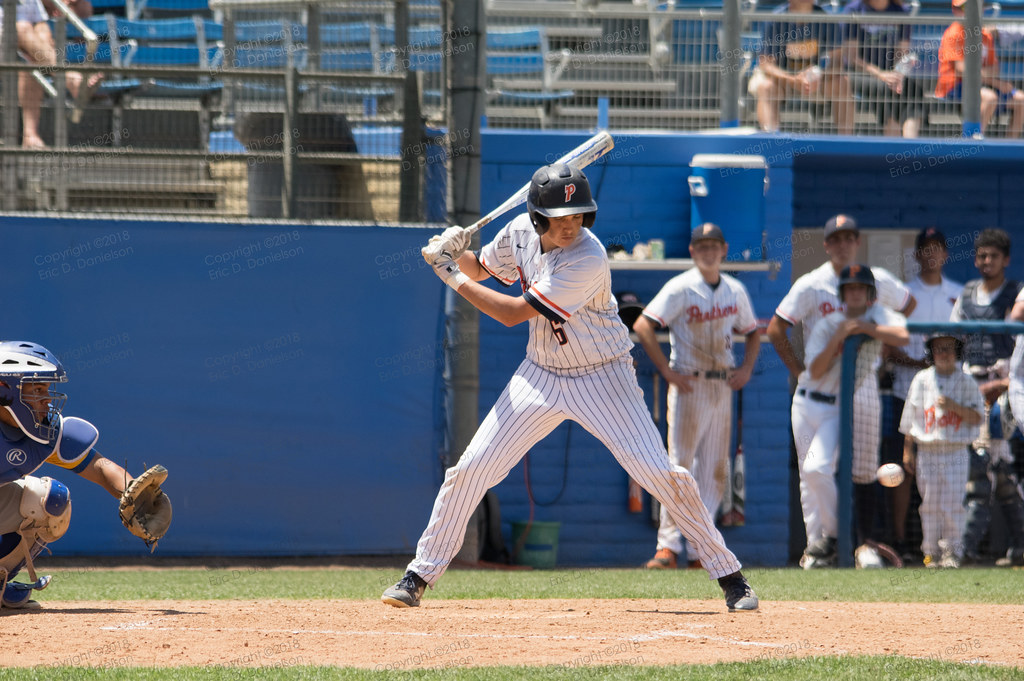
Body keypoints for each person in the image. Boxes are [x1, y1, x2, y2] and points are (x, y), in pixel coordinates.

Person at [382, 163, 759, 611]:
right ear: (538, 217)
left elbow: (509, 313)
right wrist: (455, 249)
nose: (570, 224)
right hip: (540, 373)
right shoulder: (519, 231)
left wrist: (449, 273)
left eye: (578, 215)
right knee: (470, 470)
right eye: (560, 217)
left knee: (660, 474)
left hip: (604, 375)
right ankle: (418, 575)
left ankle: (730, 576)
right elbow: (480, 269)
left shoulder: (588, 256)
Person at [768, 214, 916, 567]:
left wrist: (880, 343)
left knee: (864, 466)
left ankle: (862, 543)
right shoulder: (813, 284)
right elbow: (776, 328)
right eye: (836, 238)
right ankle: (819, 544)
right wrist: (798, 370)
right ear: (826, 244)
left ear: (857, 242)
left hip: (862, 383)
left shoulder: (875, 281)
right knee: (812, 473)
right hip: (818, 384)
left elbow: (908, 307)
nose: (842, 244)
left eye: (849, 238)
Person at [0, 340, 171, 609]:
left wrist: (134, 494)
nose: (46, 398)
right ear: (5, 389)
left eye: (47, 388)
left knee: (51, 501)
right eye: (37, 388)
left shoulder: (43, 432)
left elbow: (101, 468)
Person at [633, 222, 761, 570]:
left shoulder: (735, 290)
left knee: (715, 472)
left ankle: (702, 547)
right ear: (692, 251)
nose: (708, 251)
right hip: (689, 382)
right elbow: (644, 325)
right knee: (679, 465)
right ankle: (668, 546)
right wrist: (666, 370)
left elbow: (753, 332)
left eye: (713, 245)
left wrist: (746, 369)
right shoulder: (680, 287)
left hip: (721, 385)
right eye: (701, 246)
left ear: (723, 249)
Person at [791, 264, 909, 567]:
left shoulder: (878, 314)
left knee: (818, 468)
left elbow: (902, 335)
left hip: (834, 408)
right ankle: (820, 544)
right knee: (809, 476)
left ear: (869, 293)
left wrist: (863, 330)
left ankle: (832, 537)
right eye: (850, 288)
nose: (855, 293)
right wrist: (841, 335)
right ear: (843, 294)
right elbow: (814, 371)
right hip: (806, 403)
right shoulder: (829, 322)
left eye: (861, 288)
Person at [885, 227, 963, 561]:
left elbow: (966, 346)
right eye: (925, 249)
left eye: (937, 249)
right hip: (908, 389)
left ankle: (947, 546)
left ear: (945, 254)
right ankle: (902, 540)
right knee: (905, 468)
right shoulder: (905, 293)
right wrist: (918, 362)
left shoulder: (958, 293)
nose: (931, 255)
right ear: (917, 255)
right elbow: (888, 347)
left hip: (948, 395)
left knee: (948, 468)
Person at [951, 228, 1024, 566]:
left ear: (1006, 260)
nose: (987, 261)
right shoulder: (966, 294)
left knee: (1003, 472)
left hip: (1006, 387)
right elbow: (950, 340)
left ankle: (1011, 546)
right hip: (970, 387)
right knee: (982, 469)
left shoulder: (1016, 293)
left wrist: (1007, 382)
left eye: (994, 255)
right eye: (982, 255)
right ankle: (964, 549)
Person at [900, 333, 983, 569]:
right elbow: (909, 420)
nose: (944, 353)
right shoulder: (921, 379)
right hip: (927, 450)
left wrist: (954, 407)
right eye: (939, 349)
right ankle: (930, 553)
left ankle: (952, 552)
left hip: (956, 450)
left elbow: (977, 418)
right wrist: (908, 451)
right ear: (931, 353)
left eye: (949, 348)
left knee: (953, 503)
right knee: (929, 503)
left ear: (957, 353)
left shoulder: (966, 381)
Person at [751, 0, 855, 134]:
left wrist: (821, 76)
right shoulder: (776, 19)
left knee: (843, 83)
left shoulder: (827, 19)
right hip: (783, 79)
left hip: (816, 80)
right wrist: (793, 79)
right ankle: (771, 139)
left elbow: (837, 61)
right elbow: (766, 64)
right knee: (766, 87)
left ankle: (845, 143)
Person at [936, 0, 1024, 138]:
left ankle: (1009, 143)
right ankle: (973, 140)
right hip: (955, 86)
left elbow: (995, 68)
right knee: (989, 97)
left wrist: (985, 76)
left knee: (1021, 99)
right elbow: (963, 71)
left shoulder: (985, 34)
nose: (973, 11)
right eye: (964, 7)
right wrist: (997, 83)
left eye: (978, 7)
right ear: (955, 10)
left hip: (984, 84)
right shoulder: (953, 34)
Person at [841, 0, 924, 137]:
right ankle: (892, 145)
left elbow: (901, 52)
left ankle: (910, 146)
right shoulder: (854, 9)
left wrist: (898, 74)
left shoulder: (900, 11)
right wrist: (881, 74)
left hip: (889, 74)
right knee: (884, 88)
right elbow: (852, 58)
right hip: (858, 74)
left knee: (914, 89)